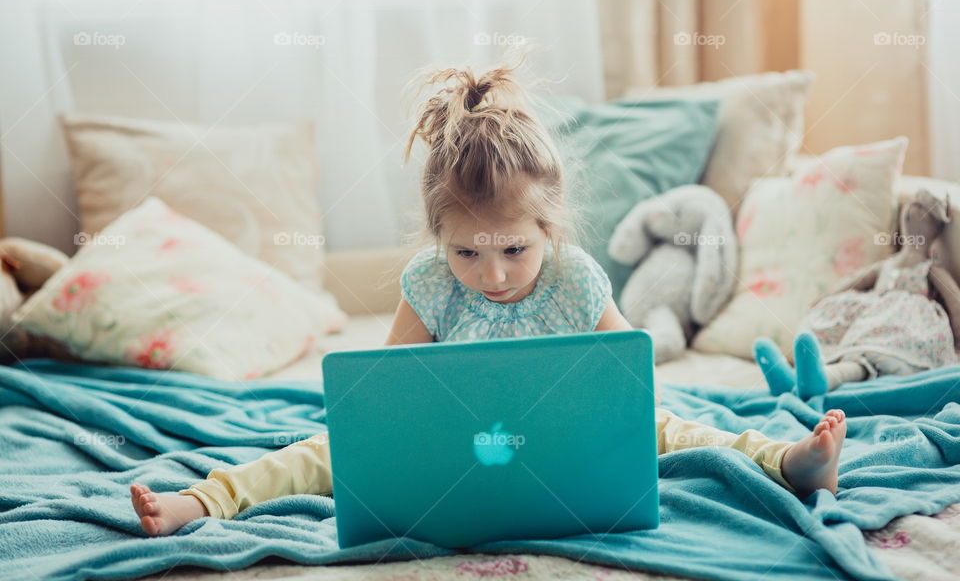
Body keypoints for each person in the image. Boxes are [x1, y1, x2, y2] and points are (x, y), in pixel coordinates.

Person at [131, 59, 846, 537]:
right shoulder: (429, 283)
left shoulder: (576, 278)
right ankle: (200, 501)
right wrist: (380, 432)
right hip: (455, 441)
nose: (493, 274)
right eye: (466, 252)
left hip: (565, 437)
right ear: (438, 237)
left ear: (550, 228)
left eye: (514, 250)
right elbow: (381, 396)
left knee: (678, 431)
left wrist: (611, 409)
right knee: (322, 450)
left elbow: (630, 383)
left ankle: (791, 462)